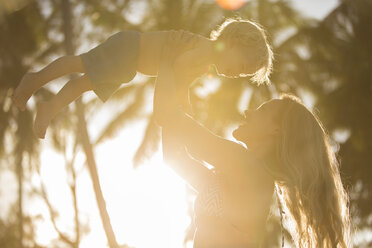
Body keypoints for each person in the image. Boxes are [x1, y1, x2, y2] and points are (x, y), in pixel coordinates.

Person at [153, 33, 352, 247]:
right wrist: (179, 81)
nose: (248, 111)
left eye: (261, 109)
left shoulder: (247, 168)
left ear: (275, 131)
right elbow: (173, 157)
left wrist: (168, 66)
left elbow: (169, 116)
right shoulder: (241, 176)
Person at [12, 18, 273, 139]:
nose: (235, 74)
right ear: (233, 41)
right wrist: (183, 104)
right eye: (240, 66)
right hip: (130, 49)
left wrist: (184, 104)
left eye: (242, 74)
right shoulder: (206, 51)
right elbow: (178, 68)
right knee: (80, 64)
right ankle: (34, 79)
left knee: (84, 83)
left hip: (131, 62)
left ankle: (50, 107)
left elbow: (180, 79)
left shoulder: (205, 60)